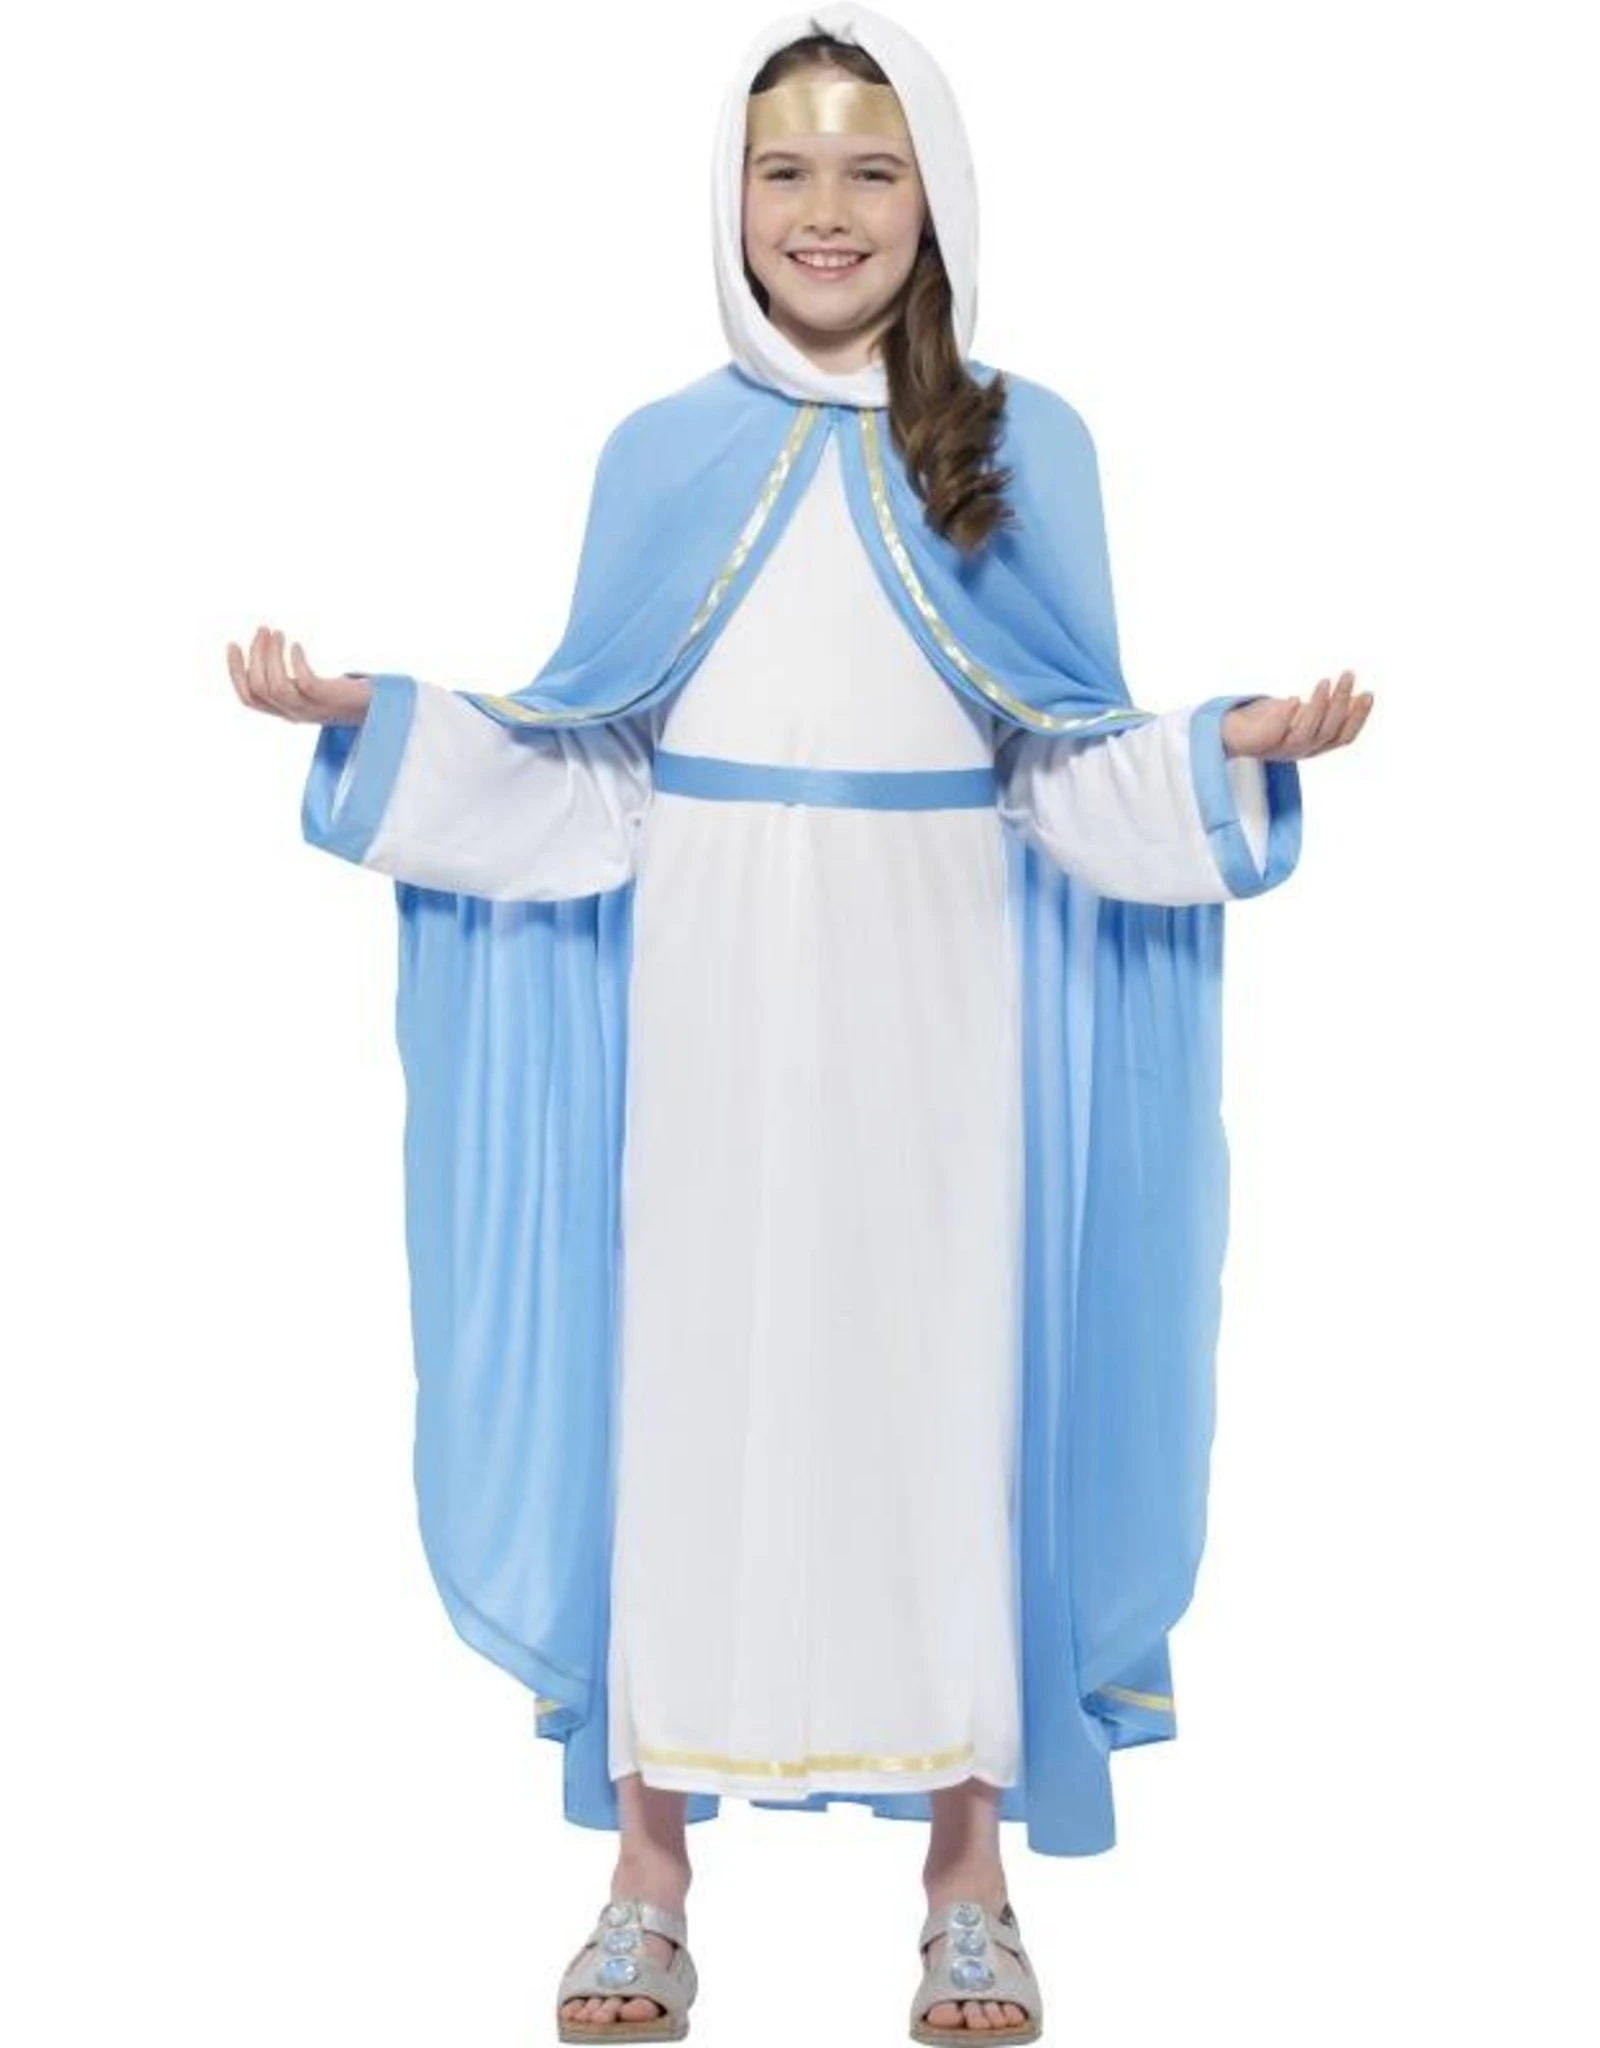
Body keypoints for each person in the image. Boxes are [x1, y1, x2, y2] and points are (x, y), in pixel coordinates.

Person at [227, 7, 1372, 2041]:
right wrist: (383, 723)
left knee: (941, 1381)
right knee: (690, 1380)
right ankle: (647, 1872)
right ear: (729, 198)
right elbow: (591, 766)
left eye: (868, 167)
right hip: (708, 984)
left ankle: (966, 1877)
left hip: (937, 993)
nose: (823, 210)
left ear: (935, 197)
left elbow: (1064, 766)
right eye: (784, 169)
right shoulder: (659, 455)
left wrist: (1224, 748)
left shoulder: (1020, 444)